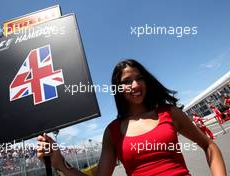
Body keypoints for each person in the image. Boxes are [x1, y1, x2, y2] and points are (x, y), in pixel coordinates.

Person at [37, 59, 226, 176]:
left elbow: (209, 146)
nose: (135, 85)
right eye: (127, 81)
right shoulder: (112, 132)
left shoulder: (169, 112)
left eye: (139, 78)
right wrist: (60, 163)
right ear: (118, 88)